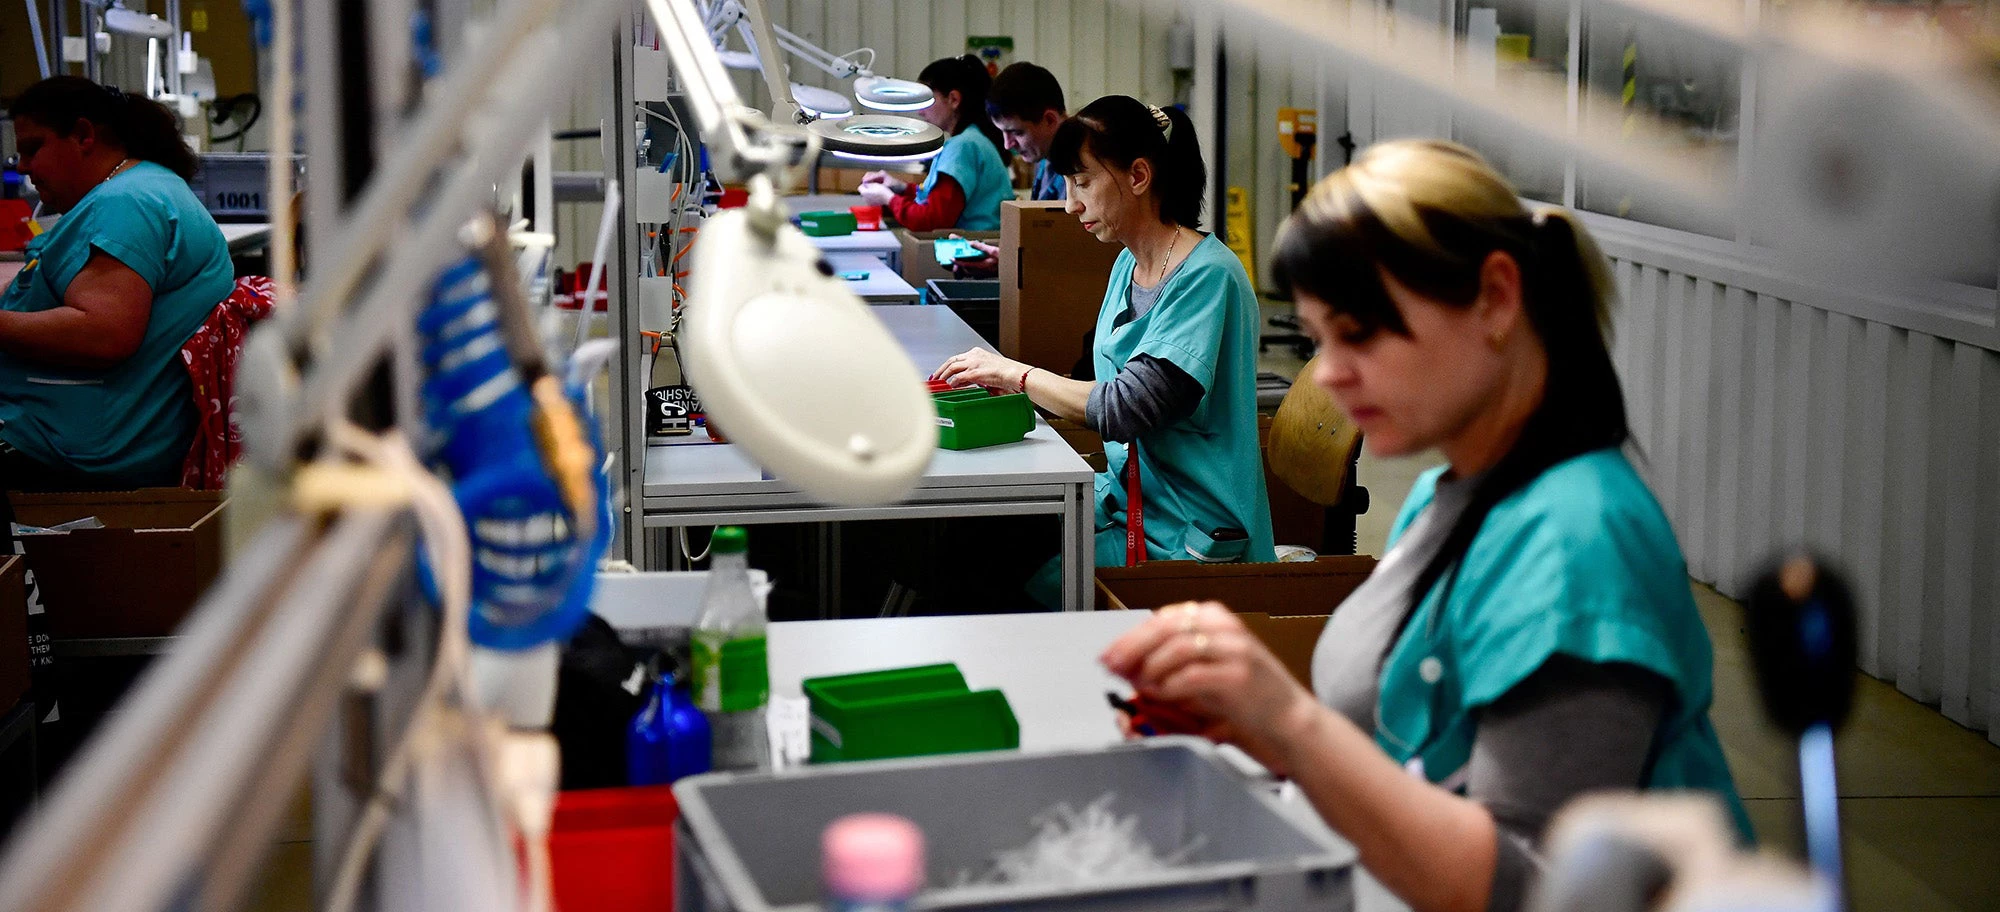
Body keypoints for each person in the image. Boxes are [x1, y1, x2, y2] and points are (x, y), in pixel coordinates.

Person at [1098, 140, 1748, 912]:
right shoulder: (1454, 488)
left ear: (1496, 301)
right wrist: (1257, 728)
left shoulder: (1578, 544)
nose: (1330, 373)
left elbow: (1533, 888)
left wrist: (1293, 727)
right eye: (1319, 338)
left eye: (1360, 332)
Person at [932, 96, 1274, 604]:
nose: (1071, 203)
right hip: (1127, 502)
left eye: (1083, 182)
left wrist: (1015, 375)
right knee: (970, 535)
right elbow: (1094, 380)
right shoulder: (1128, 266)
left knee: (986, 574)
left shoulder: (1208, 278)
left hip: (1185, 535)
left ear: (1138, 176)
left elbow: (1126, 406)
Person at [1, 77, 232, 491]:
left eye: (33, 148)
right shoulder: (142, 187)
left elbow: (105, 334)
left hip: (72, 447)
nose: (22, 167)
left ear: (84, 136)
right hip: (83, 429)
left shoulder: (126, 203)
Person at [856, 55, 1011, 232]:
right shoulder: (973, 140)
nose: (920, 111)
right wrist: (900, 187)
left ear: (953, 99)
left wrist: (888, 198)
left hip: (971, 250)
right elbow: (941, 199)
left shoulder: (963, 146)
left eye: (926, 100)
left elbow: (932, 219)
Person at [948, 61, 1069, 279]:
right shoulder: (1046, 161)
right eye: (1003, 133)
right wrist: (1000, 259)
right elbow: (1046, 248)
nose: (1007, 144)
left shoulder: (1081, 171)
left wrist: (1009, 261)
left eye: (1017, 132)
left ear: (1050, 119)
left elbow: (1078, 258)